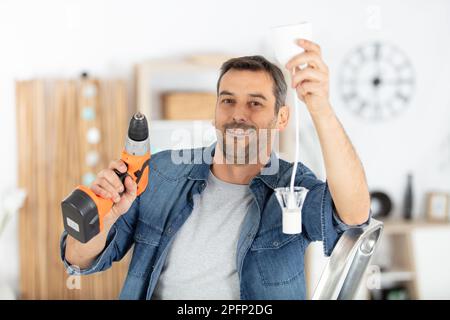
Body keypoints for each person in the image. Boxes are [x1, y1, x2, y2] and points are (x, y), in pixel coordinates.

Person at [61, 39, 371, 300]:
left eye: (255, 103)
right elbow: (79, 258)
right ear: (214, 111)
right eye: (228, 100)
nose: (238, 114)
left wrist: (320, 108)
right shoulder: (159, 173)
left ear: (282, 118)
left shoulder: (293, 185)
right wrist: (105, 217)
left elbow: (353, 216)